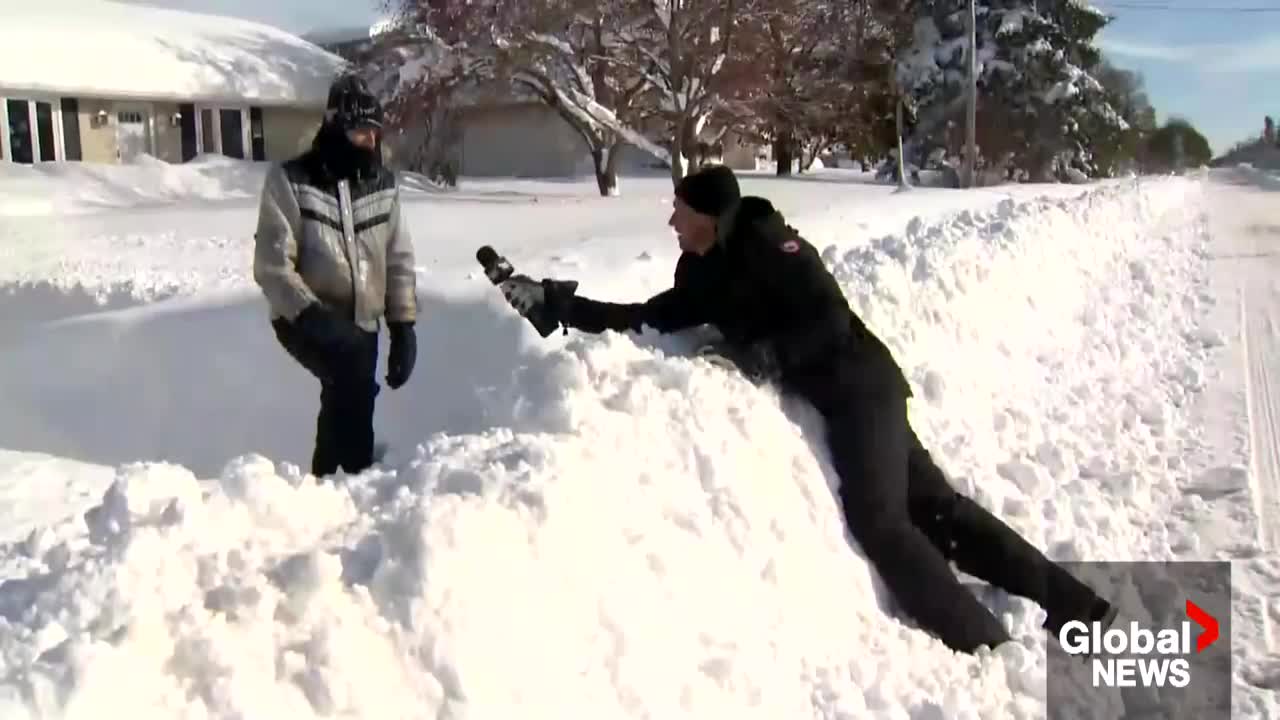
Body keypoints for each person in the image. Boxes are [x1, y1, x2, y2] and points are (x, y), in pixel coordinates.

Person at [497, 164, 1117, 654]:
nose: (671, 221)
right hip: (843, 395)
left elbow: (828, 316)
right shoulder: (704, 269)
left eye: (680, 211)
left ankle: (988, 644)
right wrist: (557, 304)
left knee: (885, 521)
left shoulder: (770, 242)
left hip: (859, 386)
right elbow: (646, 318)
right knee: (938, 509)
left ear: (710, 216)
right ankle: (1078, 608)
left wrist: (767, 354)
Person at [252, 73, 418, 478]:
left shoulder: (383, 185)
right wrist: (309, 314)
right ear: (336, 128)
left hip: (362, 320)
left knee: (352, 390)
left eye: (375, 134)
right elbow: (271, 265)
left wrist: (403, 326)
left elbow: (398, 258)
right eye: (362, 132)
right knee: (352, 383)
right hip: (303, 316)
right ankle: (350, 476)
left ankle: (329, 481)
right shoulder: (290, 181)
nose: (371, 143)